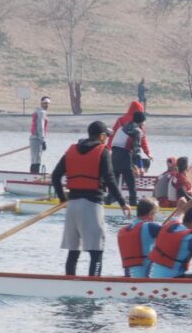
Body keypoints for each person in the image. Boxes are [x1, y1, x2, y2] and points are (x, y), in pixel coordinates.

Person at [51, 120, 130, 277]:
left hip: (72, 206)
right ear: (101, 136)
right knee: (96, 252)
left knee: (73, 252)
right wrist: (122, 202)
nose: (107, 139)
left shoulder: (71, 150)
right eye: (106, 136)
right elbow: (110, 179)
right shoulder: (103, 151)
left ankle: (69, 282)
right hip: (92, 206)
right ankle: (93, 285)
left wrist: (62, 199)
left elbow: (55, 176)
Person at [109, 110, 147, 206]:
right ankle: (133, 205)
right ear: (141, 122)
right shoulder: (137, 131)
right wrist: (140, 166)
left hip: (113, 157)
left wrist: (134, 164)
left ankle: (108, 202)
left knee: (115, 185)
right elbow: (136, 151)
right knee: (131, 184)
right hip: (124, 156)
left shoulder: (122, 127)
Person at [116, 198, 162, 278]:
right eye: (156, 214)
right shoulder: (150, 227)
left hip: (128, 279)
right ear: (151, 214)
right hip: (145, 280)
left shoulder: (122, 231)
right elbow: (173, 232)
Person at [29, 96, 50, 173]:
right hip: (37, 139)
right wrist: (43, 141)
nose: (47, 105)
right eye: (45, 103)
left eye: (48, 103)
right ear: (41, 103)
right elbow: (41, 128)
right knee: (36, 160)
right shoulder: (41, 112)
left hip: (34, 138)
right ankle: (34, 177)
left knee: (35, 160)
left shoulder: (38, 111)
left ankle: (32, 176)